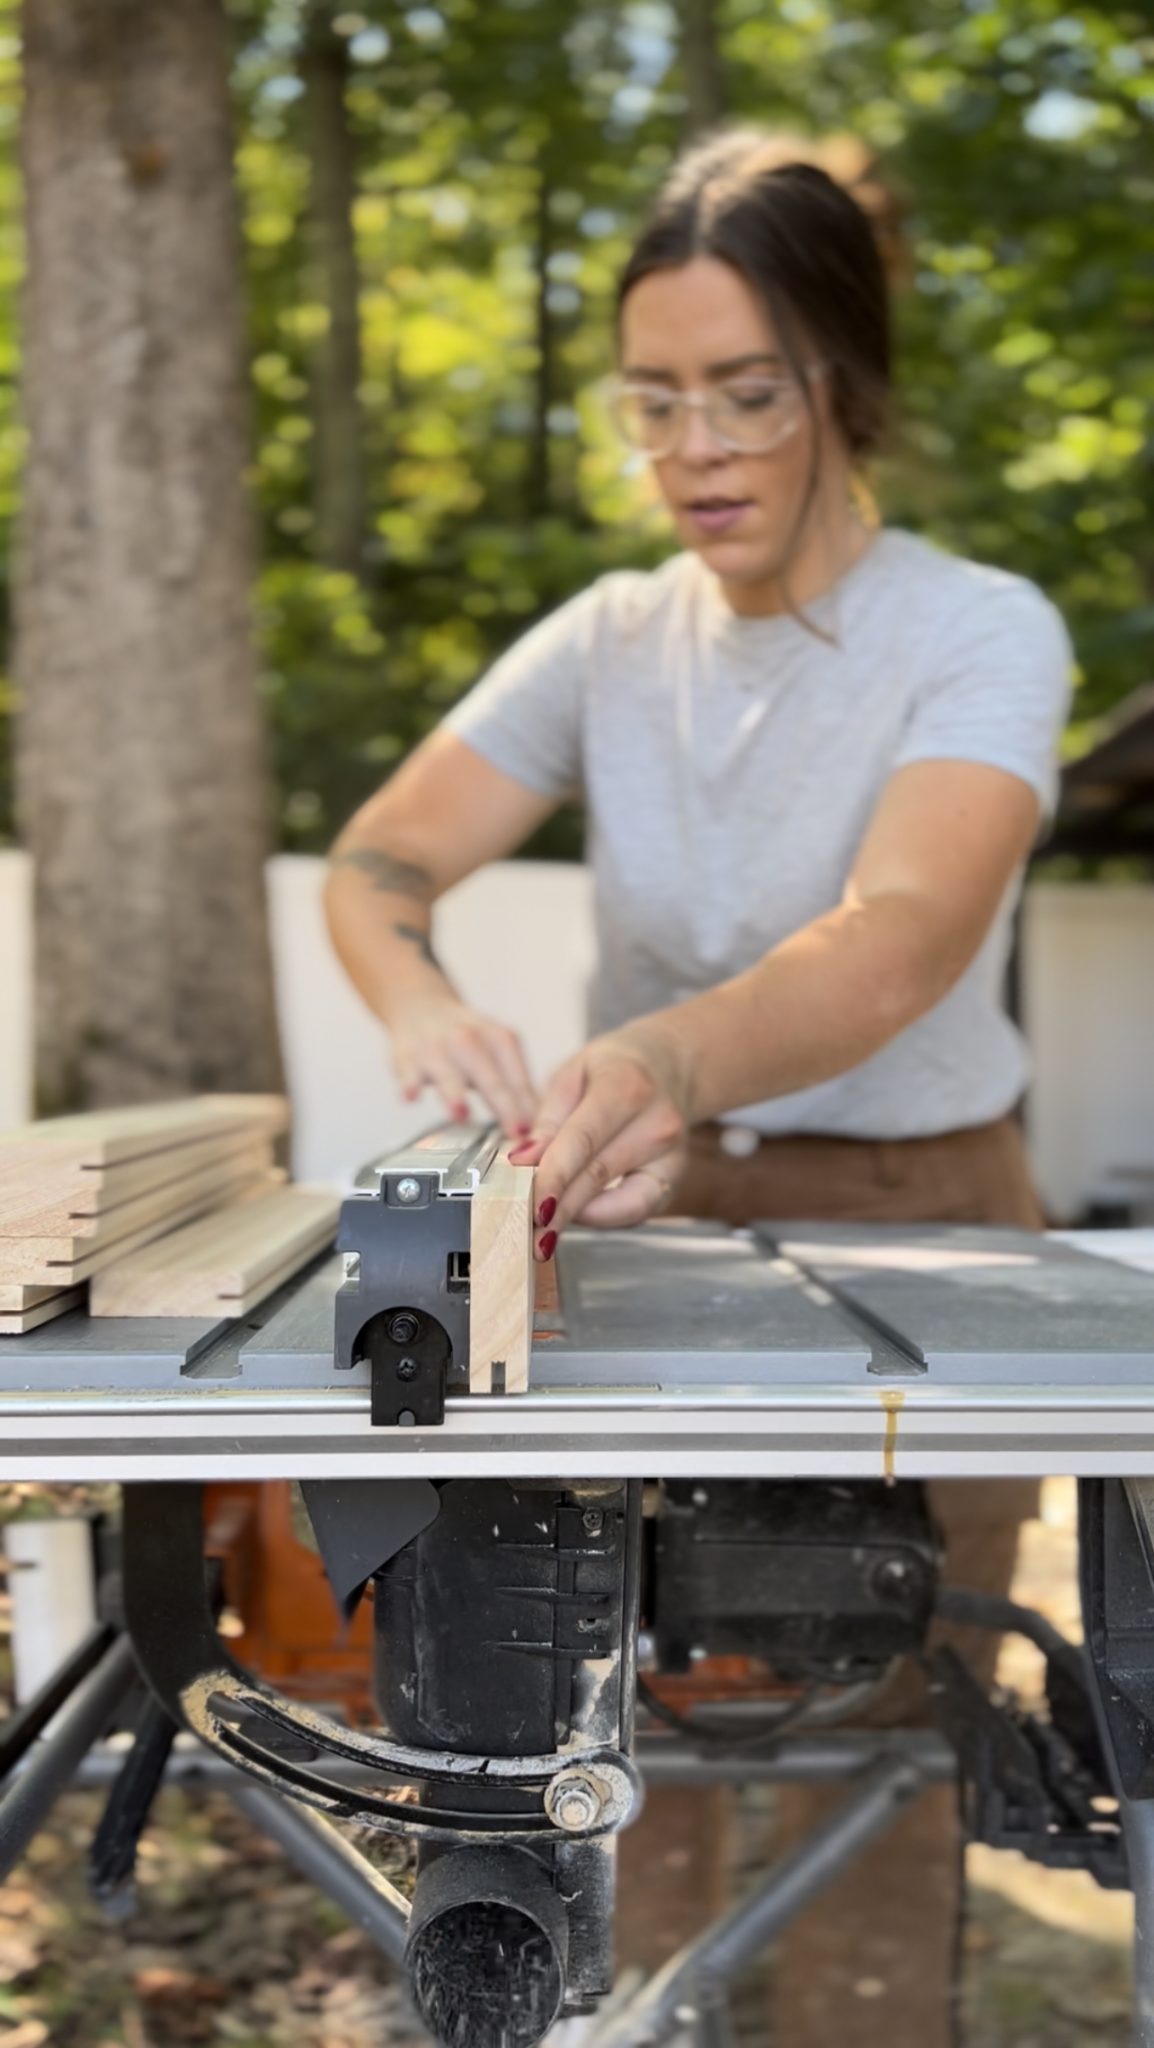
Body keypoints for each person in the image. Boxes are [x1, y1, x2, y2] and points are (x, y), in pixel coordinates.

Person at [324, 128, 1072, 2048]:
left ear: (845, 380)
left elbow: (897, 934)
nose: (697, 451)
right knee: (597, 1700)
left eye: (747, 394)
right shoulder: (605, 639)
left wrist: (663, 1048)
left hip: (925, 1228)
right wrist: (414, 1002)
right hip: (636, 1226)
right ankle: (606, 2017)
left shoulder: (975, 628)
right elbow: (378, 866)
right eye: (654, 403)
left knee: (876, 1710)